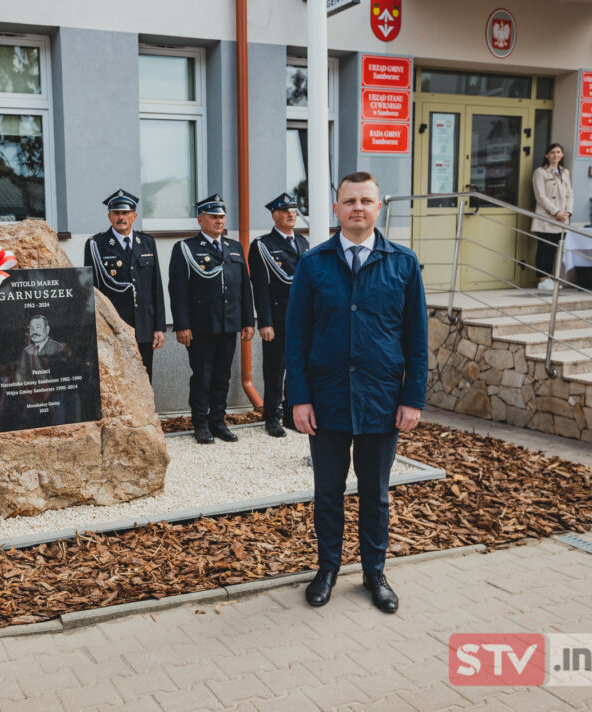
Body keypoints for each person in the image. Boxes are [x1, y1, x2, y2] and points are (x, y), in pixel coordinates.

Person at [286, 172, 428, 614]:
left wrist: (413, 398)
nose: (357, 208)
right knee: (328, 491)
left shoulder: (403, 263)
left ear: (378, 207)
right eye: (349, 201)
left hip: (381, 399)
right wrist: (299, 398)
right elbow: (296, 337)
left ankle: (374, 573)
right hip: (325, 399)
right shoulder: (313, 264)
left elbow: (417, 340)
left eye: (366, 200)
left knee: (375, 493)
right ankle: (327, 569)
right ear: (336, 209)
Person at [168, 193, 254, 444]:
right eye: (213, 217)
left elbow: (244, 288)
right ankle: (201, 424)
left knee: (222, 376)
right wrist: (182, 325)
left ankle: (219, 421)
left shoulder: (234, 247)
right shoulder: (186, 248)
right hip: (202, 326)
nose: (219, 221)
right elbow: (178, 290)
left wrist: (248, 321)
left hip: (229, 323)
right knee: (202, 376)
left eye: (221, 217)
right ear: (200, 220)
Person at [85, 189, 166, 380]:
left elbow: (157, 287)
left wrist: (159, 327)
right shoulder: (96, 244)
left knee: (144, 378)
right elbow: (91, 290)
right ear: (109, 216)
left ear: (134, 216)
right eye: (116, 213)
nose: (121, 217)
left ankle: (144, 411)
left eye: (125, 213)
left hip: (145, 326)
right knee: (118, 380)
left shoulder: (147, 243)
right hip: (114, 327)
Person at [248, 192, 309, 438]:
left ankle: (290, 414)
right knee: (275, 369)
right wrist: (265, 322)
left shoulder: (303, 243)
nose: (291, 214)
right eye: (285, 211)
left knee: (297, 368)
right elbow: (260, 286)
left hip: (301, 318)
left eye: (293, 210)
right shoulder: (263, 245)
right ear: (274, 216)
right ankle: (271, 417)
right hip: (278, 317)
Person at [531, 142, 573, 290]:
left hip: (562, 218)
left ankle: (551, 278)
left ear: (562, 155)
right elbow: (540, 196)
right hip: (547, 217)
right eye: (552, 152)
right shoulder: (540, 172)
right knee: (544, 249)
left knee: (555, 249)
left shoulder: (565, 172)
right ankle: (543, 279)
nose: (556, 155)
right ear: (547, 155)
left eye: (558, 152)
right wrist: (556, 212)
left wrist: (568, 212)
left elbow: (570, 194)